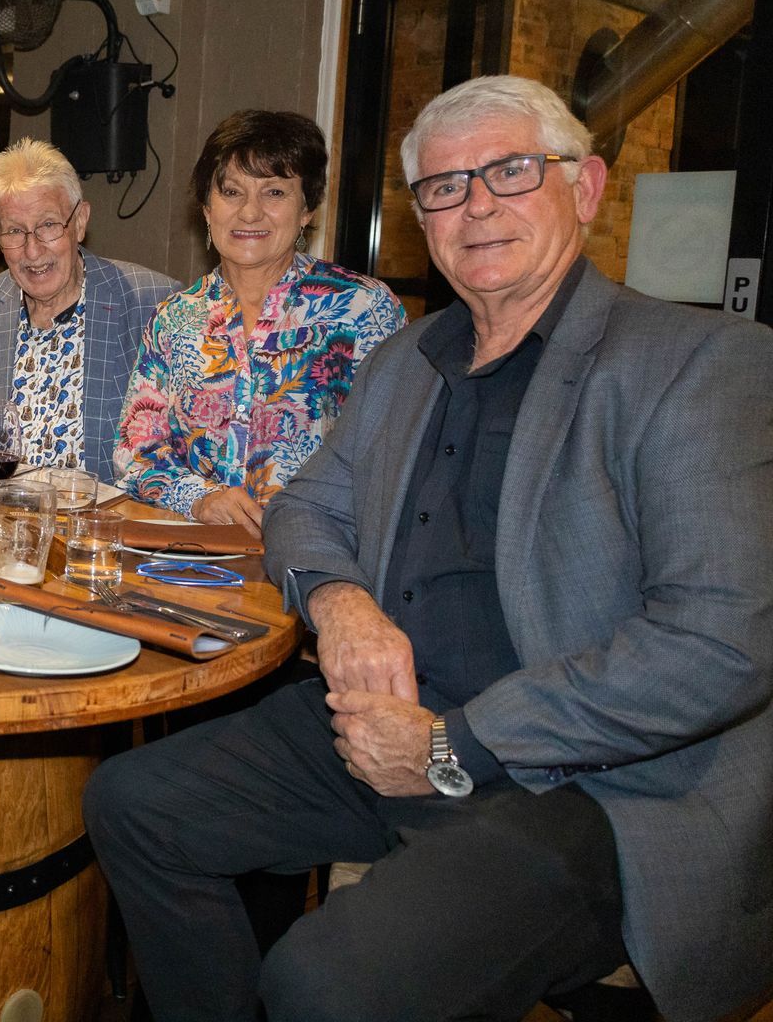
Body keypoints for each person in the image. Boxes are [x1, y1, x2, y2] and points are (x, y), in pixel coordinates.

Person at [83, 75, 773, 1022]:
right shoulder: (407, 359)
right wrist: (342, 604)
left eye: (511, 171)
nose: (477, 203)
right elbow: (303, 512)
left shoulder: (698, 362)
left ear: (587, 187)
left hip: (590, 781)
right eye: (446, 187)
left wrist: (457, 741)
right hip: (386, 722)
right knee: (132, 801)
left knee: (325, 983)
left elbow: (721, 645)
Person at [112, 111, 403, 535]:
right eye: (231, 192)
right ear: (207, 209)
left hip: (320, 558)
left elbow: (393, 454)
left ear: (307, 210)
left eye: (274, 192)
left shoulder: (363, 309)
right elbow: (135, 452)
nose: (250, 212)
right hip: (193, 554)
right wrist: (199, 499)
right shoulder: (174, 318)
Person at [0, 137, 177, 481]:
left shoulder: (152, 303)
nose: (32, 251)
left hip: (99, 527)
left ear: (81, 221)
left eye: (47, 225)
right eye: (14, 230)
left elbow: (176, 454)